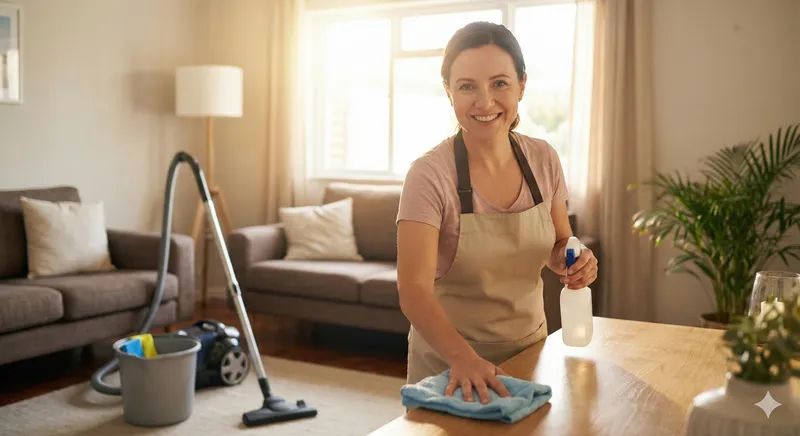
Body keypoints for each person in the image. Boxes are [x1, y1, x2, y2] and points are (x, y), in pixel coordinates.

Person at [395, 21, 599, 405]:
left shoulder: (544, 159)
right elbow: (413, 290)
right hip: (450, 366)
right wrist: (464, 359)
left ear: (522, 85)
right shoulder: (429, 175)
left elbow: (559, 242)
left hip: (531, 354)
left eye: (499, 83)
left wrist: (575, 261)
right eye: (467, 86)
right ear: (448, 92)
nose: (484, 102)